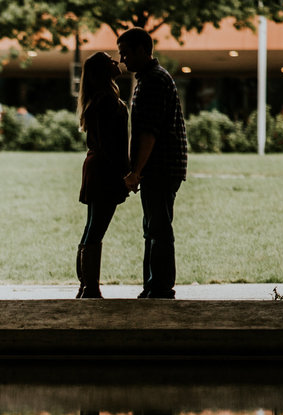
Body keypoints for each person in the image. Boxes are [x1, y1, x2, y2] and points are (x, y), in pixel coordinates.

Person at [117, 28, 188, 299]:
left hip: (160, 167)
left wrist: (136, 172)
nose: (122, 60)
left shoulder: (153, 82)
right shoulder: (152, 78)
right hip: (163, 166)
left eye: (125, 53)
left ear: (142, 50)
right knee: (153, 227)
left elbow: (149, 132)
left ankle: (159, 287)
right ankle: (152, 285)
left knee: (157, 228)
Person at [75, 52, 131, 299]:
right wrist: (126, 175)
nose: (115, 61)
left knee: (91, 227)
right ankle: (90, 287)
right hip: (105, 170)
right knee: (96, 229)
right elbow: (113, 145)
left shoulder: (98, 99)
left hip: (95, 167)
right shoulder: (108, 101)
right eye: (109, 59)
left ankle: (85, 285)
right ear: (102, 70)